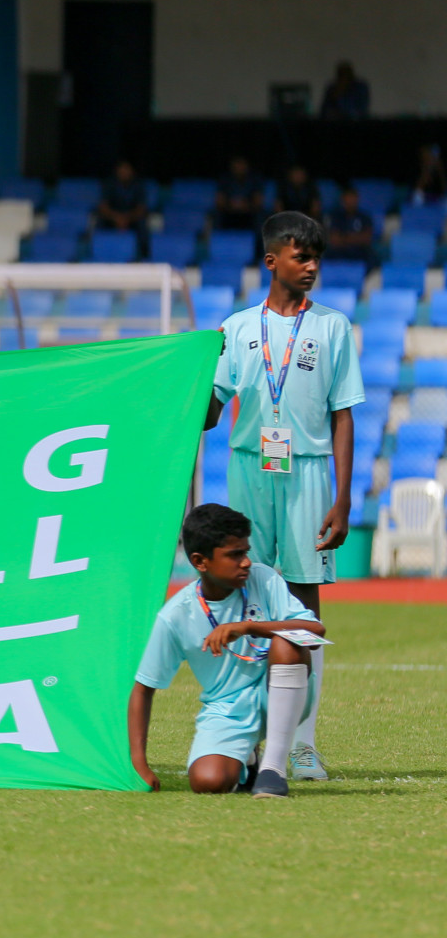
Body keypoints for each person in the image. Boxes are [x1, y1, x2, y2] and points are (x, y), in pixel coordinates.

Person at [204, 210, 365, 782]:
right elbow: (211, 412)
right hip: (249, 471)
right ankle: (249, 741)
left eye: (317, 256)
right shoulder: (239, 327)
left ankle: (301, 743)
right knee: (246, 600)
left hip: (310, 473)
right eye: (302, 256)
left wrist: (343, 499)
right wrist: (182, 380)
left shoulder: (333, 327)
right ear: (273, 261)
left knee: (302, 606)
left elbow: (343, 415)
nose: (312, 265)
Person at [129, 505, 326, 797]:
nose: (246, 562)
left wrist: (248, 627)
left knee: (287, 641)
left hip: (279, 692)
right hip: (227, 710)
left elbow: (315, 630)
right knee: (208, 782)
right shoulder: (175, 615)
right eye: (234, 555)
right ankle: (249, 759)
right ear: (200, 561)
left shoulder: (264, 578)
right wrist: (139, 762)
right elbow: (143, 689)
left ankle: (273, 769)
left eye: (245, 552)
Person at [324, 186, 376, 266]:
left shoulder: (365, 217)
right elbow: (334, 240)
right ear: (343, 200)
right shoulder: (335, 217)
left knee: (372, 257)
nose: (350, 201)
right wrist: (356, 238)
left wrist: (344, 238)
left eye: (353, 198)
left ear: (357, 199)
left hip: (360, 251)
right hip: (340, 251)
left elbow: (367, 239)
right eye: (348, 198)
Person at [96, 159, 148, 234]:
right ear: (117, 171)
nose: (124, 172)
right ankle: (98, 244)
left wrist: (127, 218)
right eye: (122, 169)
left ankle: (143, 245)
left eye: (126, 169)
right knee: (100, 220)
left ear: (132, 171)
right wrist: (116, 218)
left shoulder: (139, 185)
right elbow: (103, 207)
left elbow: (141, 209)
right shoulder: (109, 184)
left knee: (142, 223)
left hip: (132, 219)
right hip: (113, 217)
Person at [215, 156, 263, 230]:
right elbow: (220, 201)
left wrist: (246, 205)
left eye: (241, 164)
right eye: (237, 164)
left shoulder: (255, 179)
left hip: (249, 212)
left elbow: (258, 202)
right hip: (229, 211)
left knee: (260, 215)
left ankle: (259, 239)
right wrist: (231, 205)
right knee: (214, 214)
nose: (239, 167)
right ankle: (216, 239)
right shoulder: (224, 179)